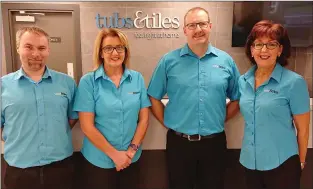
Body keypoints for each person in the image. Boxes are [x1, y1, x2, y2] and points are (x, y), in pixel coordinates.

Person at [147, 7, 240, 189]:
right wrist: (167, 121)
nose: (198, 29)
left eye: (202, 23)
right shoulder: (168, 61)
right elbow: (153, 97)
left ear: (210, 26)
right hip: (179, 145)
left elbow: (237, 98)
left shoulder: (226, 61)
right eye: (192, 25)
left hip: (214, 144)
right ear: (185, 30)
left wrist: (221, 118)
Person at [1, 26, 78, 189]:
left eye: (41, 48)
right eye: (28, 47)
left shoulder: (67, 83)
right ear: (18, 49)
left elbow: (72, 118)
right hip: (19, 172)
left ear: (48, 50)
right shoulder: (3, 86)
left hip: (60, 167)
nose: (36, 54)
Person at [73, 28, 151, 189]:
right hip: (99, 161)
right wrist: (115, 155)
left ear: (125, 51)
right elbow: (87, 126)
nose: (114, 53)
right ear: (100, 53)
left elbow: (143, 119)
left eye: (119, 47)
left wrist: (131, 150)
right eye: (108, 48)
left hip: (131, 159)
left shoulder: (137, 78)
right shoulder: (88, 82)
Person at [238, 20, 310, 189]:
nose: (264, 50)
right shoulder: (243, 81)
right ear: (251, 49)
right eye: (258, 44)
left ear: (280, 50)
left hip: (282, 165)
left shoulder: (294, 83)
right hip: (250, 163)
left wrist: (300, 162)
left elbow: (304, 130)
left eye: (271, 44)